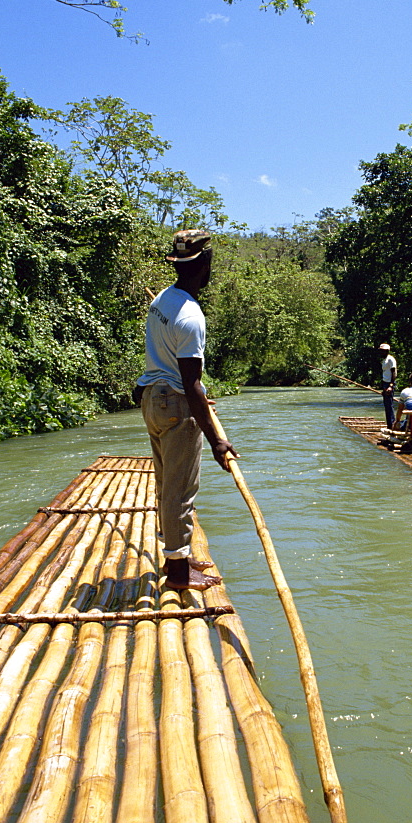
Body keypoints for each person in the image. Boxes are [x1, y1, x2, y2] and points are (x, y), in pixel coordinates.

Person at [136, 229, 239, 592]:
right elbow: (191, 382)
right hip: (177, 404)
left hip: (152, 397)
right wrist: (216, 441)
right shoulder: (191, 316)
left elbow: (164, 364)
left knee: (167, 483)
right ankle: (179, 574)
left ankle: (175, 557)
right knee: (180, 489)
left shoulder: (163, 300)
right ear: (205, 264)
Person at [378, 343, 397, 429]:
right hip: (385, 383)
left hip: (389, 383)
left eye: (382, 351)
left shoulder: (391, 359)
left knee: (389, 405)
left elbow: (394, 373)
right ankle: (389, 424)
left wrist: (391, 385)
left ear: (386, 351)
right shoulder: (384, 360)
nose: (380, 353)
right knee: (386, 405)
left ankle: (392, 424)